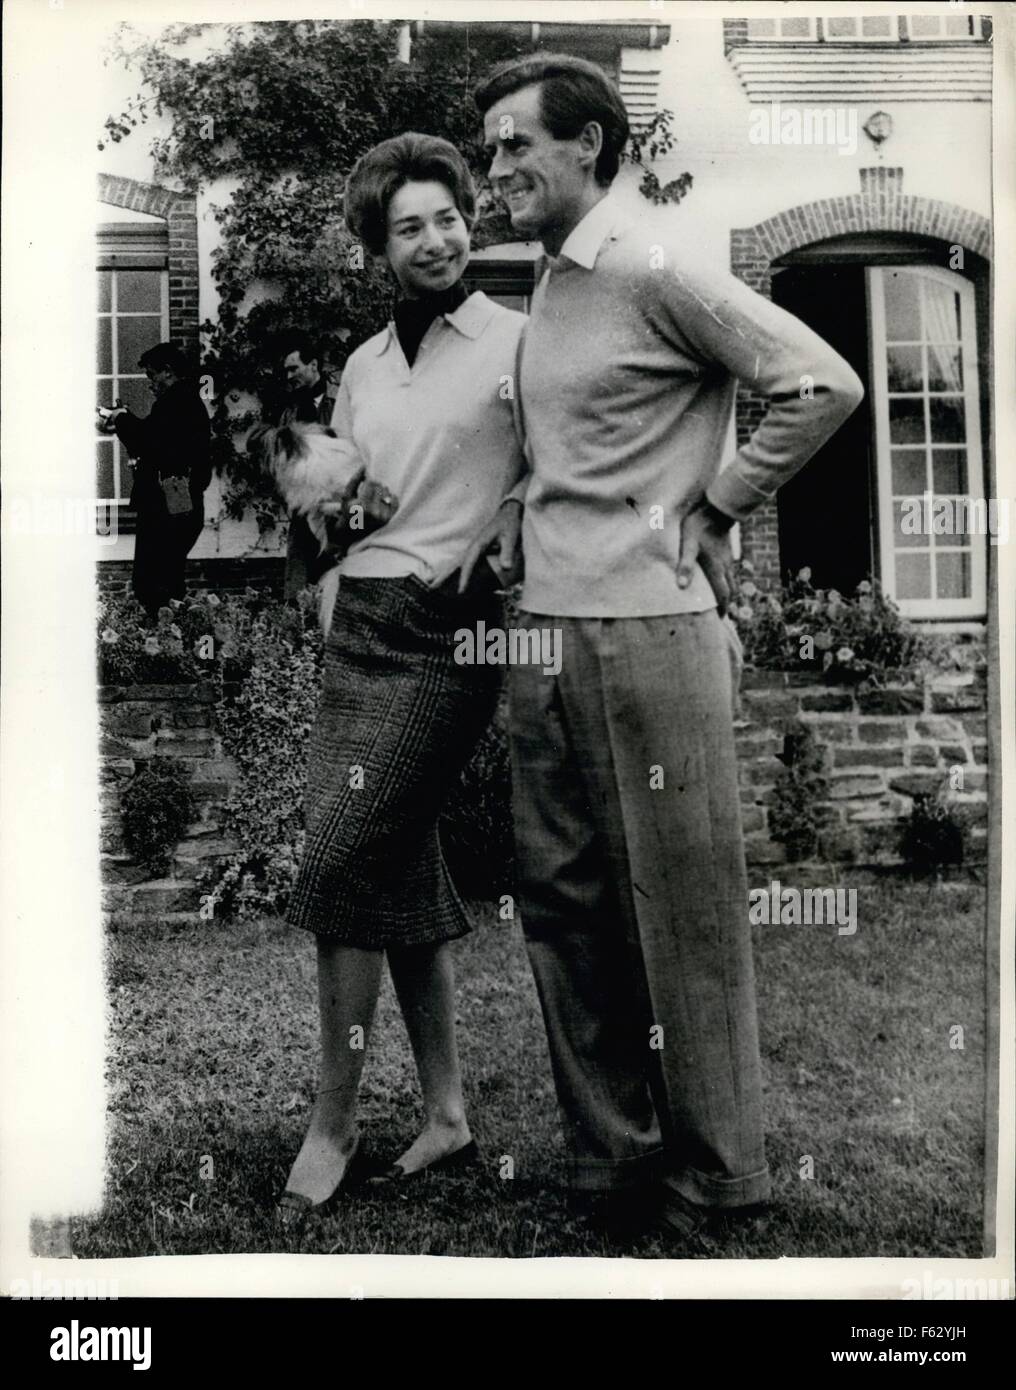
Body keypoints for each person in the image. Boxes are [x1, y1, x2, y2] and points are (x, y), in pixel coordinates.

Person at [464, 54, 865, 1241]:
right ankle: (608, 1157)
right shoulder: (549, 280)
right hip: (543, 631)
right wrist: (515, 516)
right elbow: (571, 443)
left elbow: (820, 382)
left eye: (513, 146)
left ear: (587, 145)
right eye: (488, 151)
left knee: (678, 908)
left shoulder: (654, 261)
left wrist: (718, 503)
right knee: (564, 905)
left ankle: (713, 1173)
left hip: (653, 631)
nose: (495, 171)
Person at [277, 132, 527, 1217]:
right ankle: (446, 1116)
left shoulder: (520, 341)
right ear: (377, 246)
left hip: (447, 635)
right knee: (399, 869)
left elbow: (574, 460)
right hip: (364, 627)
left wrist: (510, 517)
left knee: (340, 865)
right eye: (409, 226)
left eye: (448, 217)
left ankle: (329, 1130)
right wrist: (327, 568)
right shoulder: (365, 364)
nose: (436, 240)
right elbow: (345, 492)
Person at [101, 343, 211, 617]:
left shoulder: (175, 402)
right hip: (179, 507)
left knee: (154, 587)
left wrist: (121, 418)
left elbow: (147, 441)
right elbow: (155, 440)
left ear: (168, 372)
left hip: (166, 511)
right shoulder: (186, 402)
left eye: (152, 376)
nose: (151, 384)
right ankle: (170, 645)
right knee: (167, 583)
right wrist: (124, 423)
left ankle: (164, 648)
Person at [248, 332, 342, 600]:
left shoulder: (341, 403)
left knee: (339, 584)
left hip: (340, 511)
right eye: (286, 371)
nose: (289, 376)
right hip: (303, 510)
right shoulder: (288, 413)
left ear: (313, 365)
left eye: (294, 368)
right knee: (298, 588)